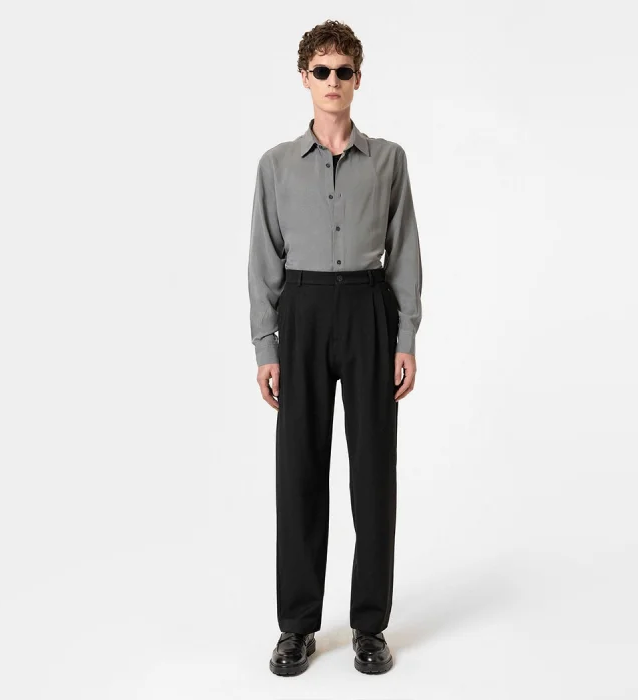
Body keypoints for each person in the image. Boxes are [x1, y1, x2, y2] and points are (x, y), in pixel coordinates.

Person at [247, 19, 423, 676]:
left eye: (343, 71)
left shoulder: (389, 160)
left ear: (357, 79)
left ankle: (369, 626)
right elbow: (263, 258)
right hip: (303, 309)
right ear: (304, 78)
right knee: (299, 471)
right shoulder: (275, 165)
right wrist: (266, 345)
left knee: (374, 472)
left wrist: (405, 335)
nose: (332, 81)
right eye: (321, 71)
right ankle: (296, 627)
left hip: (369, 308)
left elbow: (404, 251)